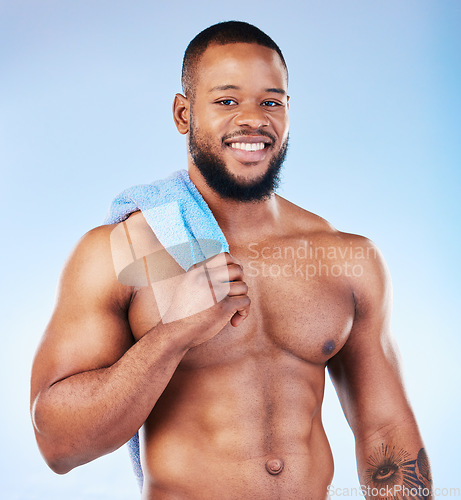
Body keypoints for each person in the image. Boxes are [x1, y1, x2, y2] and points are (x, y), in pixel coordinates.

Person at [30, 21, 432, 499]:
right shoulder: (123, 254)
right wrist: (173, 332)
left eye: (271, 101)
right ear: (183, 114)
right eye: (226, 101)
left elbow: (385, 433)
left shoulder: (344, 258)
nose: (252, 119)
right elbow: (58, 445)